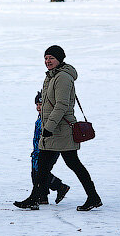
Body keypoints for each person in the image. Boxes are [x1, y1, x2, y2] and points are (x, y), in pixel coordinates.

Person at [14, 45, 102, 211]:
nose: (48, 61)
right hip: (53, 130)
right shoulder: (51, 77)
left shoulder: (62, 77)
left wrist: (49, 126)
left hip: (61, 130)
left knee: (73, 164)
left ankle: (93, 197)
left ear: (60, 59)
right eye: (46, 58)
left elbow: (61, 105)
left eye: (51, 58)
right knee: (42, 166)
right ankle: (35, 197)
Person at [31, 91, 70, 205]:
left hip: (47, 149)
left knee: (39, 173)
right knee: (37, 173)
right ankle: (43, 197)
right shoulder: (41, 117)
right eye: (37, 105)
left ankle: (60, 186)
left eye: (40, 105)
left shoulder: (48, 118)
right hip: (38, 150)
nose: (38, 107)